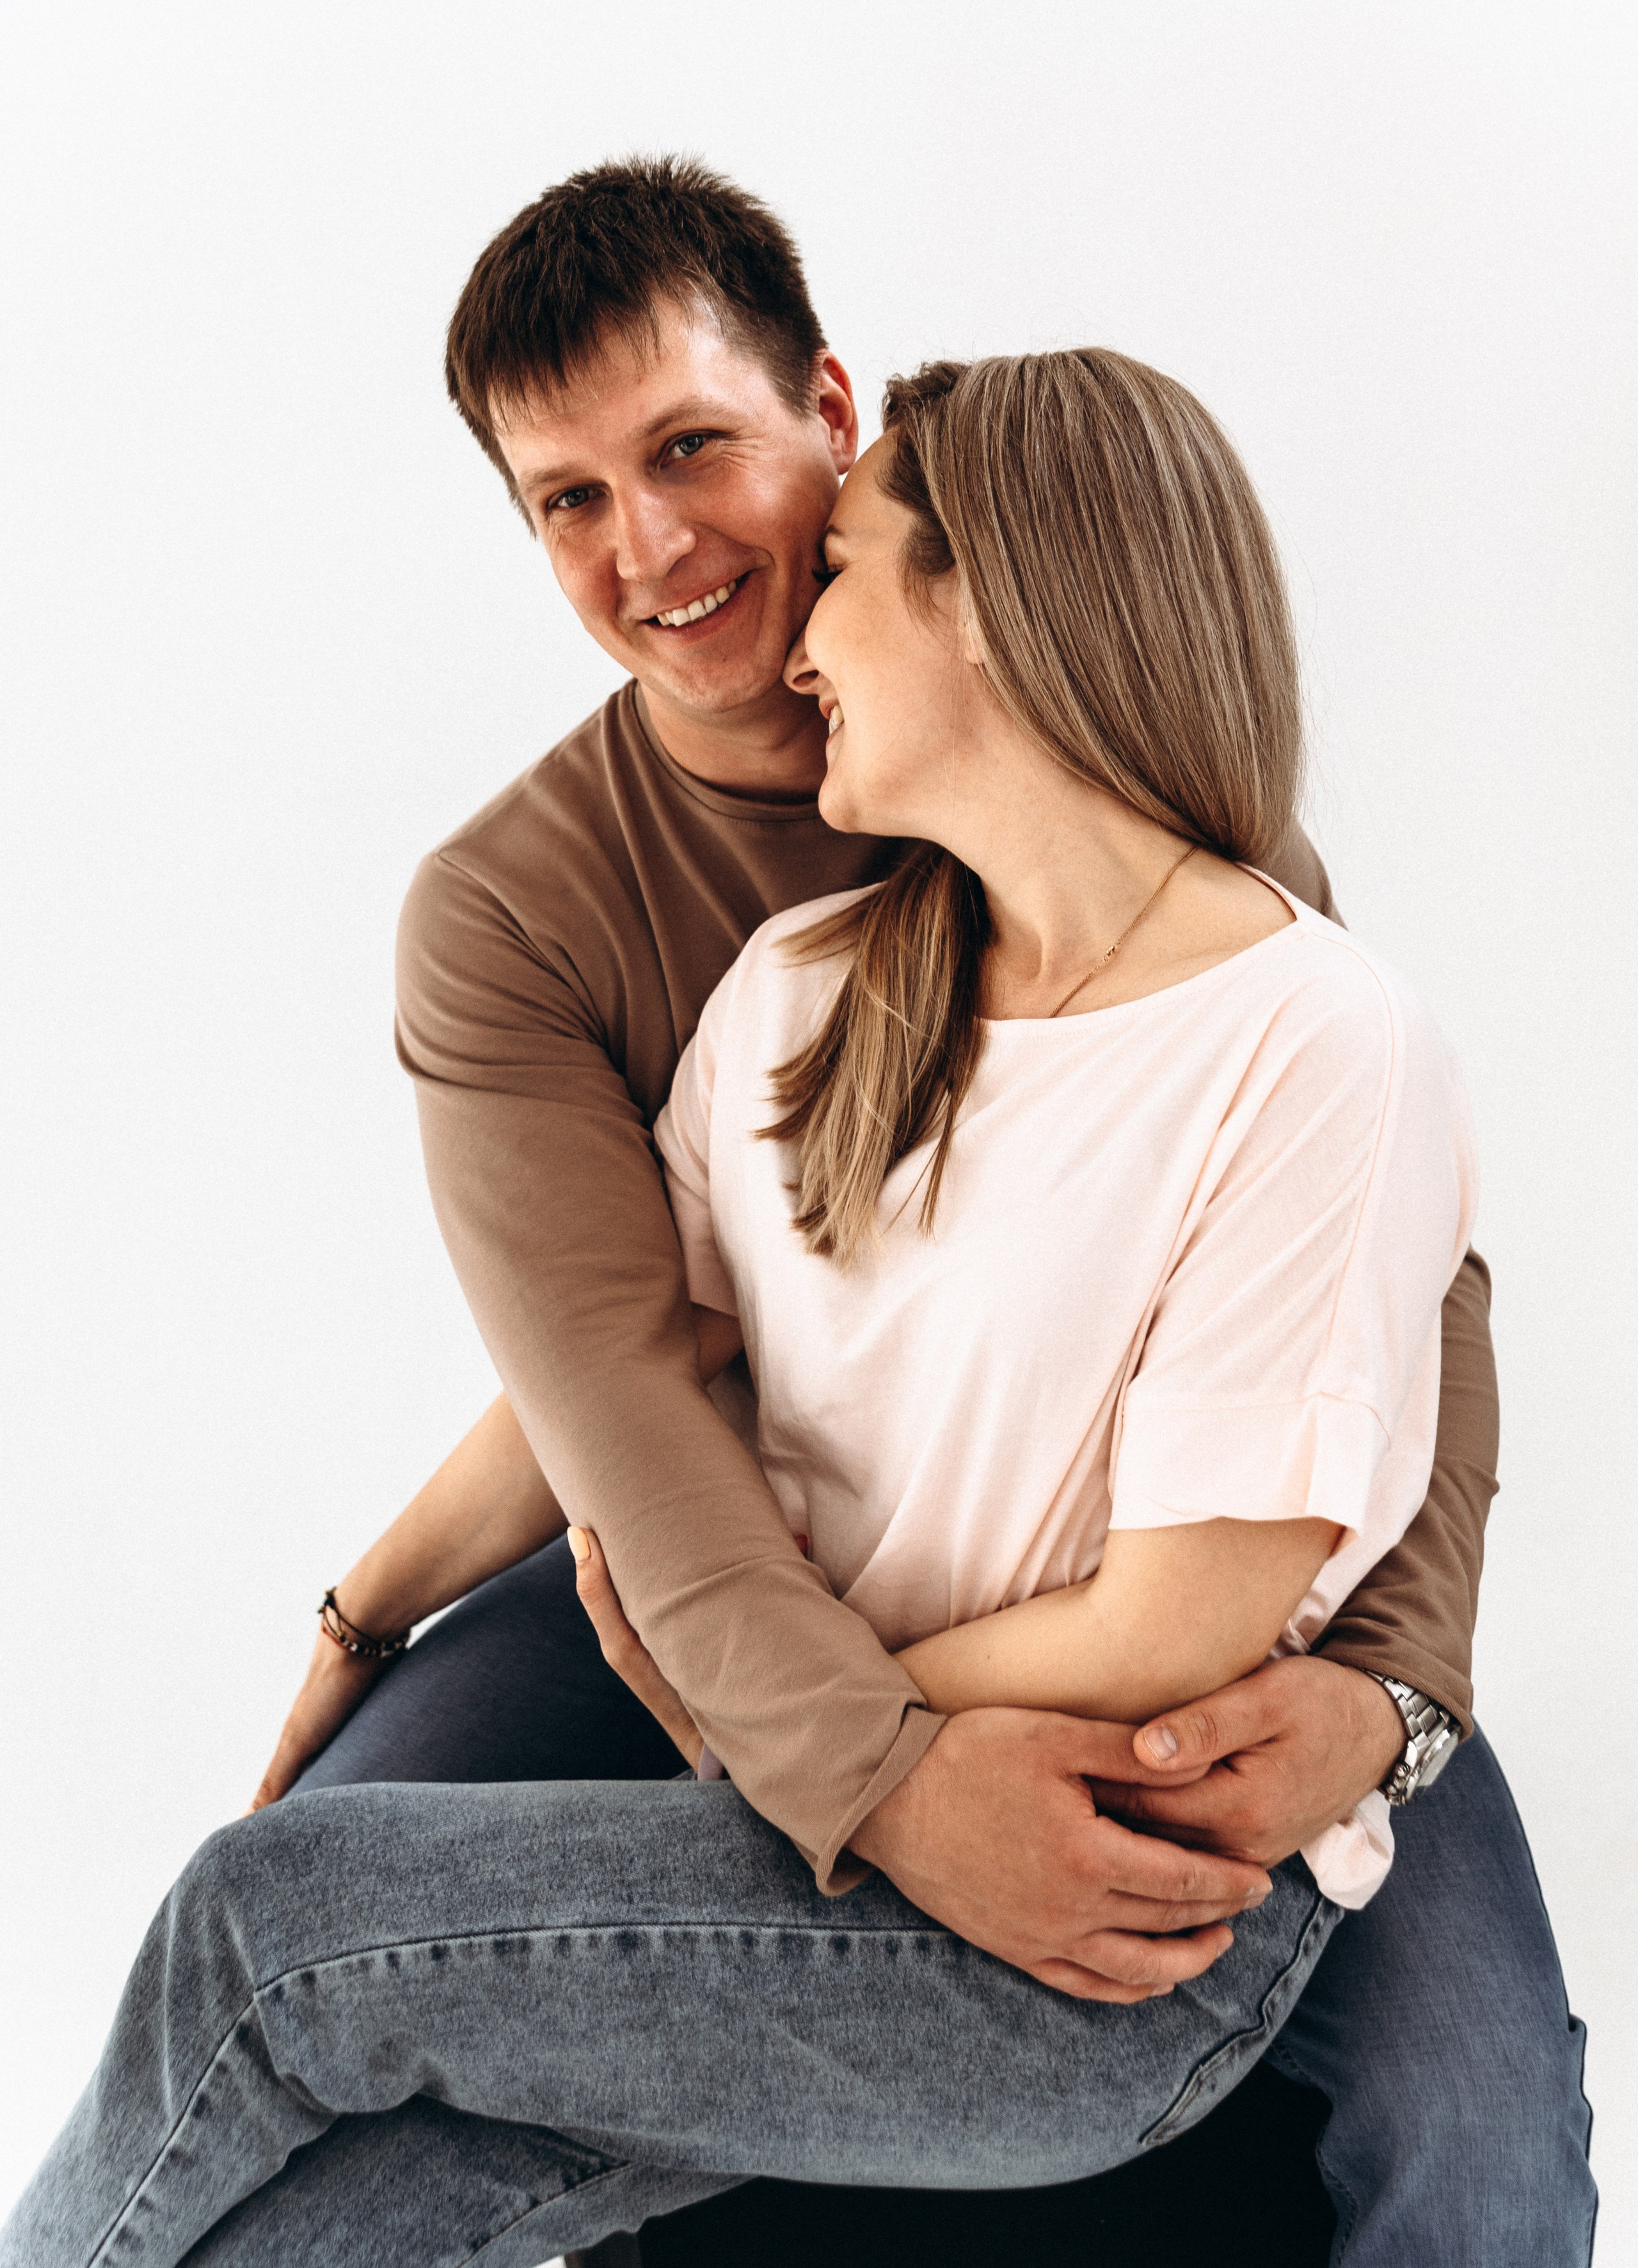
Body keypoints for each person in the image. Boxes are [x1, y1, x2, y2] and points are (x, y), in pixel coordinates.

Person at [1, 164, 1594, 2268]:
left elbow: (1406, 1308)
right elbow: (637, 1386)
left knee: (1472, 2134)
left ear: (828, 416)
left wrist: (1384, 1694)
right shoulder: (597, 938)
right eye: (566, 500)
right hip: (726, 1562)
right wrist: (394, 1617)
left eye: (693, 453)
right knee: (336, 1998)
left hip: (1145, 1654)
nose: (650, 549)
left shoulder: (1221, 906)